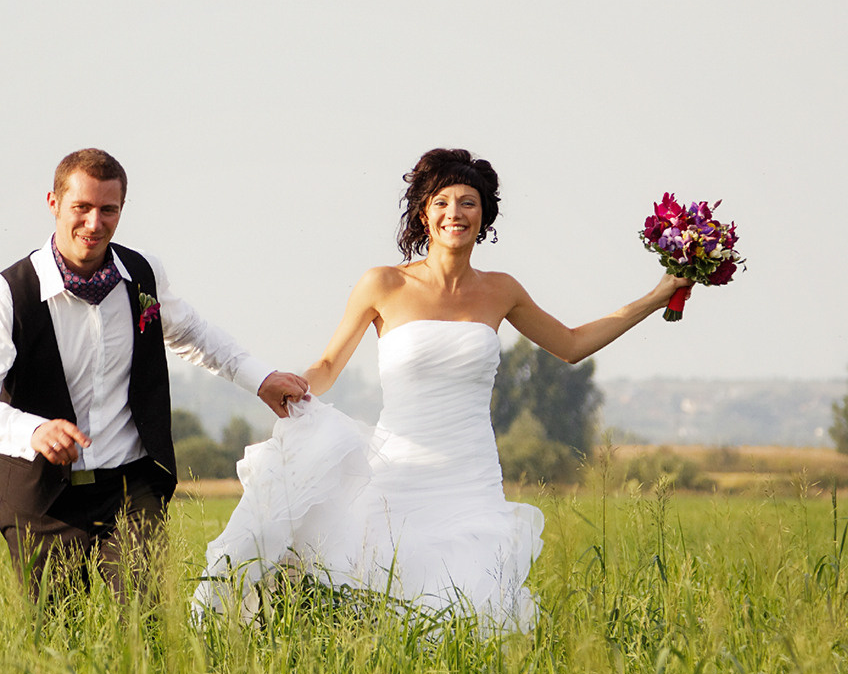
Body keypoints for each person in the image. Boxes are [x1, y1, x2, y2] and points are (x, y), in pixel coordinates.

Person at [196, 148, 689, 631]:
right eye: (442, 202)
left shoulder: (502, 290)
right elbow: (328, 364)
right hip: (399, 469)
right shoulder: (383, 283)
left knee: (474, 607)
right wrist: (293, 390)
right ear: (424, 216)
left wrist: (657, 296)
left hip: (470, 474)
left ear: (484, 216)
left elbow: (573, 344)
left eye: (468, 202)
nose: (456, 213)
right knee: (381, 596)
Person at [0, 148, 310, 603]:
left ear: (121, 209)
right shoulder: (9, 294)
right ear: (53, 203)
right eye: (81, 207)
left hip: (131, 488)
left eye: (108, 209)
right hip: (43, 499)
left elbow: (192, 333)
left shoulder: (141, 275)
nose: (94, 223)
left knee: (148, 629)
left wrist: (260, 378)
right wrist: (33, 429)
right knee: (59, 641)